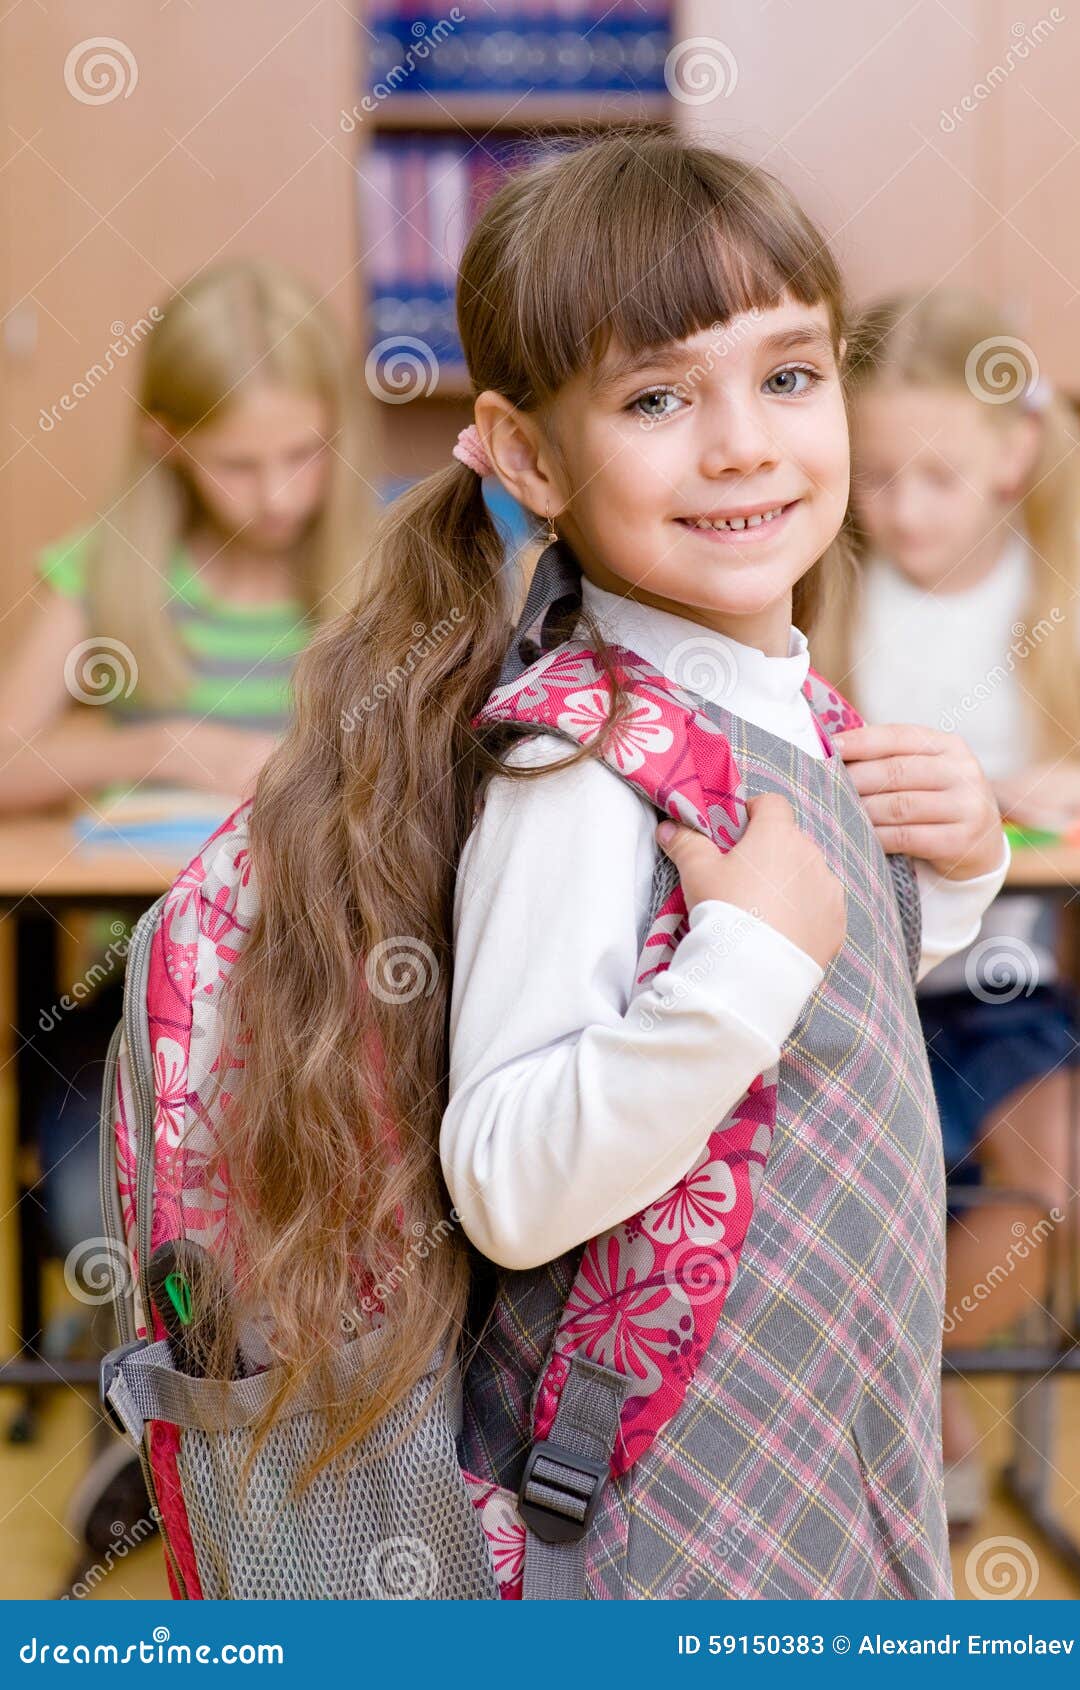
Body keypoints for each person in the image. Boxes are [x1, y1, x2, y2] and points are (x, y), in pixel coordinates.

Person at [221, 131, 1008, 1598]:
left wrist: (953, 872)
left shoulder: (782, 702)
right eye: (659, 396)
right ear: (529, 455)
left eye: (789, 375)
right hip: (673, 1509)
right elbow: (512, 1181)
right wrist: (749, 959)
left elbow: (803, 1052)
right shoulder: (583, 769)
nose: (746, 444)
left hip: (827, 1440)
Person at [0, 255, 376, 1564]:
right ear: (167, 446)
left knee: (333, 1178)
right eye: (238, 466)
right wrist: (154, 744)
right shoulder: (106, 569)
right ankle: (157, 1423)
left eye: (301, 457)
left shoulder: (377, 561)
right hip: (131, 1002)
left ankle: (292, 1435)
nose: (277, 497)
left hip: (325, 985)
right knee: (112, 1206)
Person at [814, 286, 1080, 1534]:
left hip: (1006, 993)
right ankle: (859, 1401)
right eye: (874, 476)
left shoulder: (1072, 577)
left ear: (1014, 452)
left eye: (938, 475)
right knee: (848, 1195)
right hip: (844, 988)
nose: (902, 509)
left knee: (1078, 1175)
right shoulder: (824, 587)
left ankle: (896, 1379)